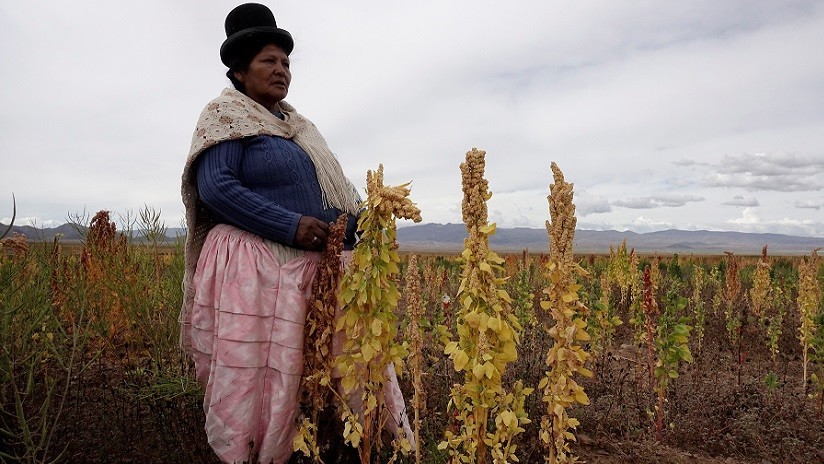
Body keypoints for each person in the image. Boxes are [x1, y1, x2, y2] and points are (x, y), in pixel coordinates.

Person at [179, 4, 412, 463]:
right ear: (240, 71)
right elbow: (217, 188)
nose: (282, 70)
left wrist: (362, 221)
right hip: (265, 277)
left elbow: (335, 194)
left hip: (320, 273)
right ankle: (267, 451)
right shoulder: (224, 117)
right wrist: (290, 225)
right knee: (275, 381)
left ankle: (341, 446)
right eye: (270, 60)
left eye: (286, 62)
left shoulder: (301, 130)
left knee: (333, 378)